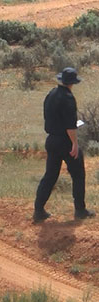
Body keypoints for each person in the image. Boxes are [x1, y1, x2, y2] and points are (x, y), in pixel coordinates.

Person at [34, 68, 94, 222]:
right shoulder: (68, 98)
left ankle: (38, 210)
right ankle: (80, 210)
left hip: (51, 140)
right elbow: (70, 126)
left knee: (50, 176)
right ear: (73, 82)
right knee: (78, 174)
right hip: (65, 141)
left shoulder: (51, 94)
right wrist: (74, 143)